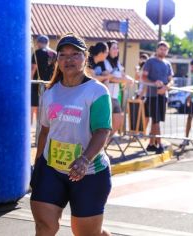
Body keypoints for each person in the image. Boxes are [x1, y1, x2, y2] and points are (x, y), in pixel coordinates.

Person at [30, 33, 112, 236]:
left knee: (86, 234)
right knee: (44, 227)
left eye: (75, 54)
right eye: (63, 55)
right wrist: (39, 164)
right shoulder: (50, 93)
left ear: (85, 58)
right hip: (52, 170)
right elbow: (45, 131)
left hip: (90, 172)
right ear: (57, 59)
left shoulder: (97, 91)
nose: (69, 59)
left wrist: (84, 159)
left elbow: (102, 131)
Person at [141, 41, 174, 154]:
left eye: (165, 49)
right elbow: (143, 77)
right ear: (157, 49)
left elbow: (171, 80)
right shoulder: (150, 61)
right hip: (152, 95)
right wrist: (155, 83)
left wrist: (166, 87)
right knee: (156, 121)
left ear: (167, 51)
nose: (163, 51)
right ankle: (159, 144)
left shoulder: (167, 64)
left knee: (157, 121)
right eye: (161, 49)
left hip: (163, 96)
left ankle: (151, 144)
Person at [104, 40, 133, 138]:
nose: (116, 50)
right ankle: (102, 144)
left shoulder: (117, 63)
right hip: (106, 95)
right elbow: (110, 78)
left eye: (117, 48)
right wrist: (123, 80)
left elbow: (123, 75)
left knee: (118, 120)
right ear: (108, 50)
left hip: (115, 96)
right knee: (108, 122)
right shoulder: (105, 62)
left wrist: (129, 79)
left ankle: (104, 142)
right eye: (114, 48)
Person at [31, 35, 57, 125]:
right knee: (46, 105)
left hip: (36, 83)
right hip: (49, 83)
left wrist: (29, 81)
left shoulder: (37, 52)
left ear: (38, 43)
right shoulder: (54, 53)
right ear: (48, 42)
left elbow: (33, 68)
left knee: (34, 105)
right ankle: (44, 125)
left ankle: (32, 127)